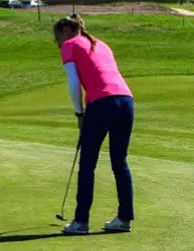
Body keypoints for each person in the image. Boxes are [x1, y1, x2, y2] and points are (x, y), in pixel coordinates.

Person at [53, 14, 135, 235]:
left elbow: (73, 83)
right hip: (126, 101)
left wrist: (79, 113)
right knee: (120, 162)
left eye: (56, 38)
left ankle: (81, 222)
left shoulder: (69, 45)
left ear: (65, 31)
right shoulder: (101, 44)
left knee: (87, 164)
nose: (57, 43)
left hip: (101, 104)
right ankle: (124, 218)